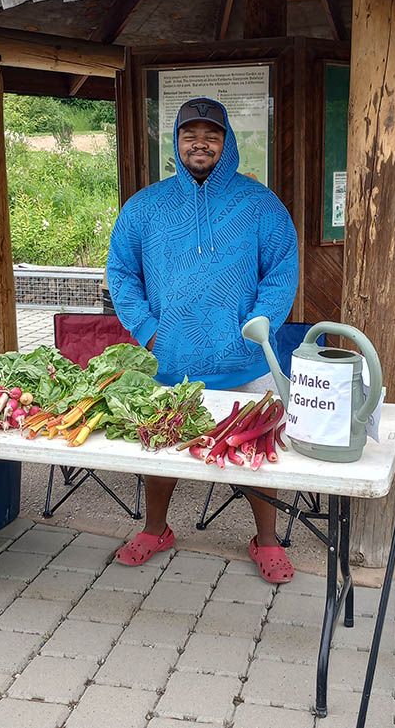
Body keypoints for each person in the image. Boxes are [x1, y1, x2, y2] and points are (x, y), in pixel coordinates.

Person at [106, 97, 299, 583]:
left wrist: (260, 325)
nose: (201, 143)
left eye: (211, 134)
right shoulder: (145, 207)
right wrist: (147, 330)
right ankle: (155, 529)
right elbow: (122, 272)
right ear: (176, 141)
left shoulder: (260, 205)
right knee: (159, 449)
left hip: (244, 362)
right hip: (170, 359)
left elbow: (281, 271)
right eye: (190, 134)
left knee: (258, 453)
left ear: (226, 141)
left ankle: (267, 539)